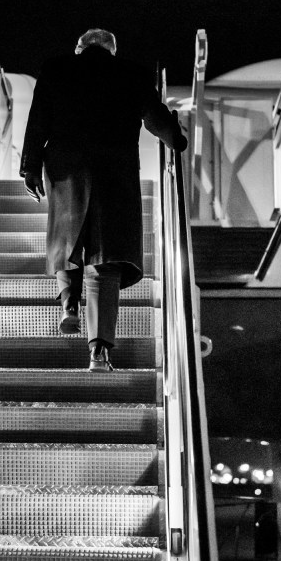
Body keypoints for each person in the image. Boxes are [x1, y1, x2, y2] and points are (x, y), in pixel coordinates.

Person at [21, 28, 187, 371]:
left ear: (79, 48)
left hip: (66, 168)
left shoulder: (55, 68)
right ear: (111, 50)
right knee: (105, 259)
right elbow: (154, 116)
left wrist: (30, 168)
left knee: (68, 238)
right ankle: (99, 352)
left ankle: (69, 305)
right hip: (115, 170)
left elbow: (38, 120)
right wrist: (175, 138)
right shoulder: (132, 73)